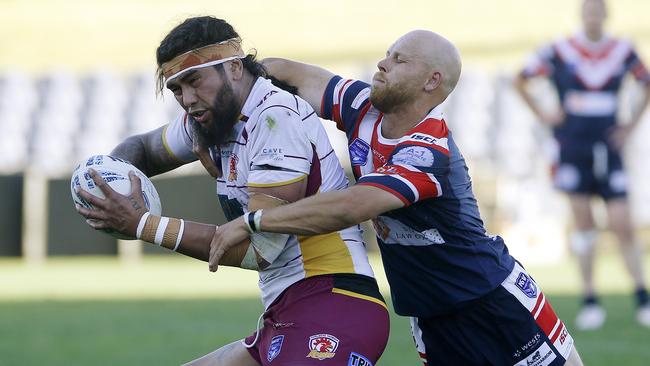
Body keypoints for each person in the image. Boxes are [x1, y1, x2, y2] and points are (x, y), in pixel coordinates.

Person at [205, 30, 584, 365]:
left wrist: (254, 220)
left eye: (399, 60)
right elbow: (290, 73)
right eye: (387, 55)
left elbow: (353, 206)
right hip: (429, 318)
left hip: (491, 302)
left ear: (431, 81)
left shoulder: (428, 151)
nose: (383, 64)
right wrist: (224, 87)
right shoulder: (363, 108)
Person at [75, 16, 389, 366]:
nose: (188, 99)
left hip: (334, 303)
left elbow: (260, 250)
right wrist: (107, 179)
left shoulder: (274, 119)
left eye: (194, 80)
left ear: (235, 68)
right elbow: (144, 148)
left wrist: (143, 225)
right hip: (288, 311)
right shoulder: (212, 117)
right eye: (177, 89)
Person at [514, 0, 650, 330]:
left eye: (597, 9)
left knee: (622, 224)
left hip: (608, 146)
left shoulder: (621, 49)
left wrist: (630, 126)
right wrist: (545, 114)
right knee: (584, 223)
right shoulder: (561, 49)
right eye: (588, 9)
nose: (593, 15)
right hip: (572, 148)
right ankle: (590, 299)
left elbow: (645, 82)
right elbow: (521, 78)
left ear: (605, 13)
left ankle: (642, 298)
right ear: (582, 14)